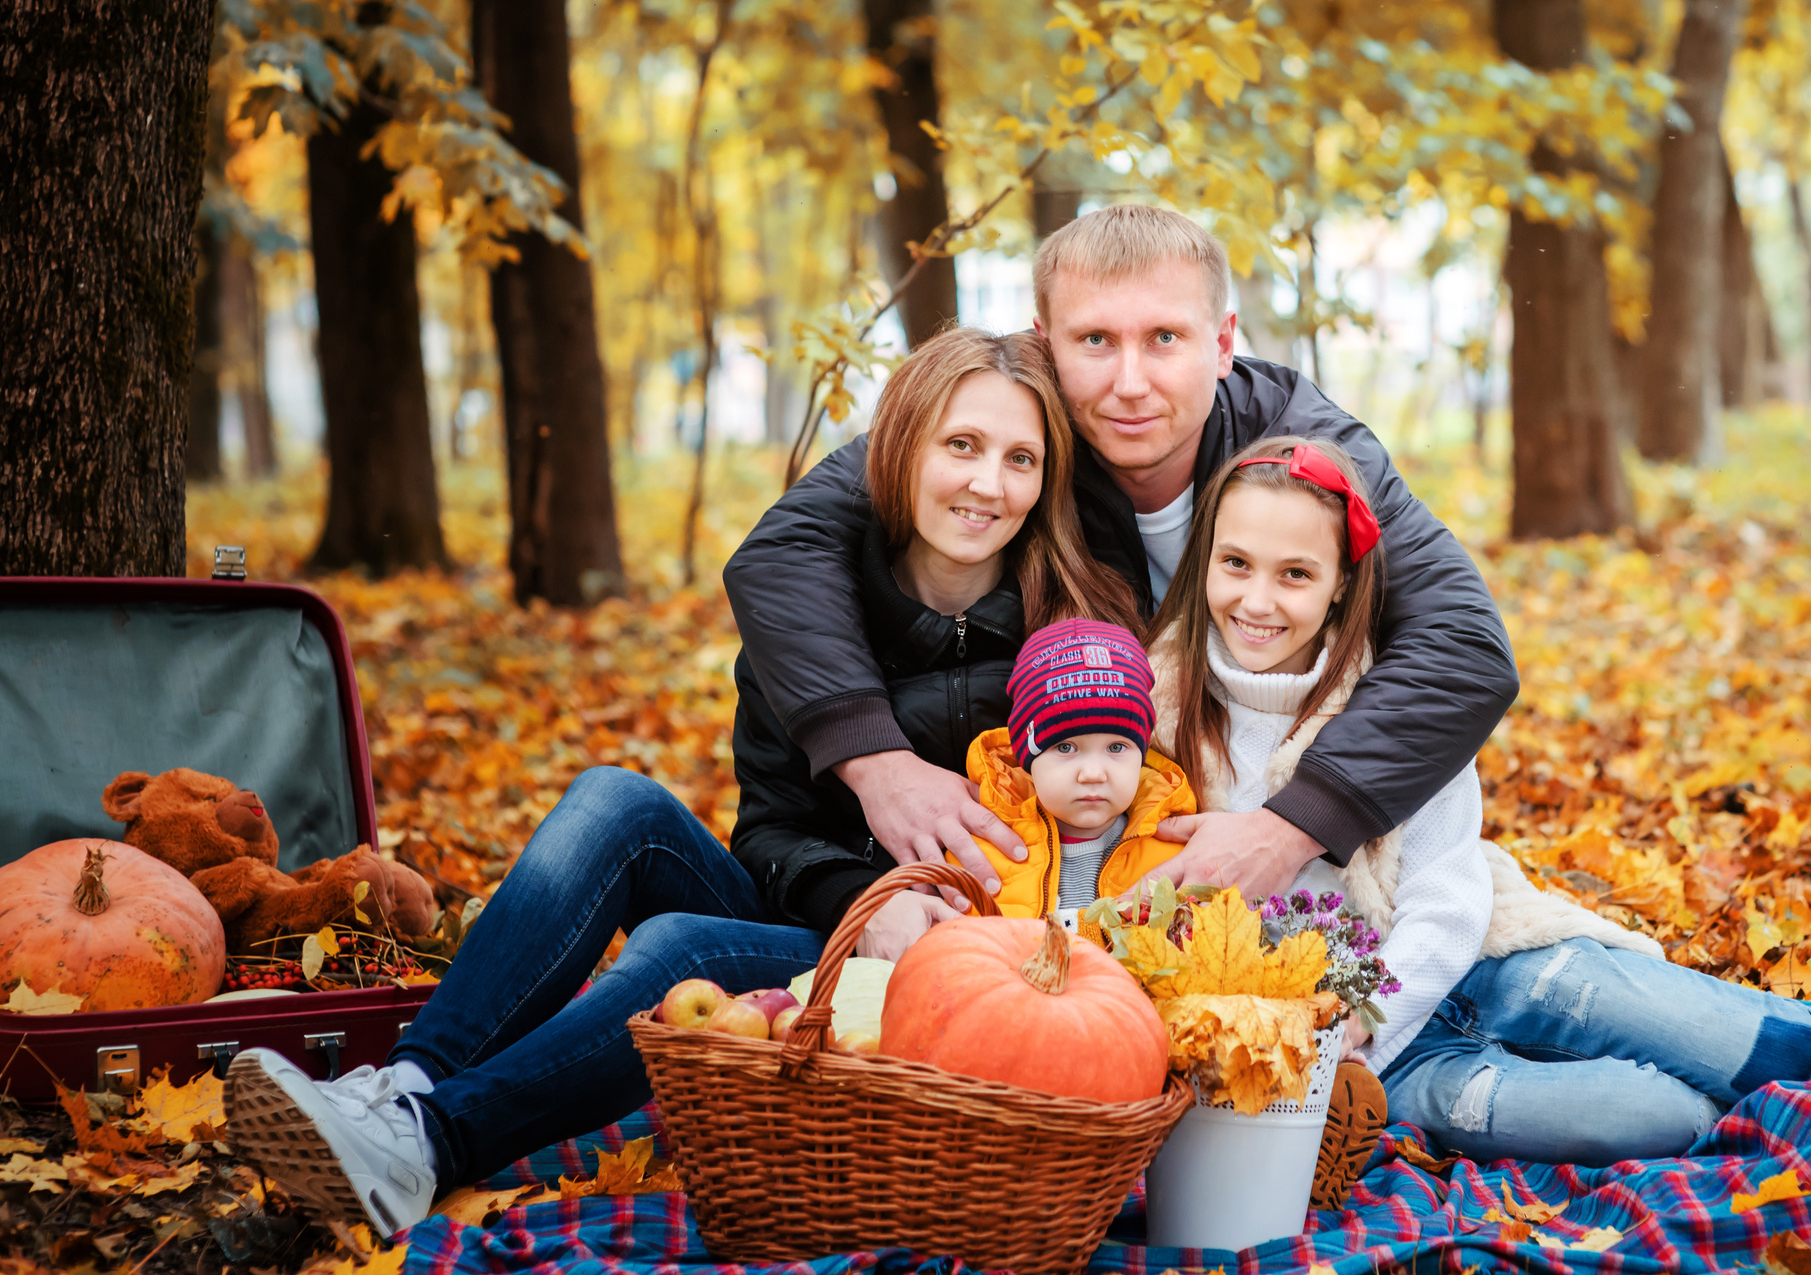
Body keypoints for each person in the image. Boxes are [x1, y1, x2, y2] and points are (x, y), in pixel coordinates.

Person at [220, 328, 1138, 1237]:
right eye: (962, 444)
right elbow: (769, 832)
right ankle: (403, 1085)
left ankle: (433, 1140)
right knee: (613, 800)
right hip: (820, 909)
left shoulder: (1069, 642)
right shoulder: (809, 615)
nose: (989, 483)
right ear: (897, 451)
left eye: (1021, 458)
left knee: (681, 944)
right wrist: (862, 900)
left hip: (964, 969)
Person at [1148, 436, 1811, 1188]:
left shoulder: (1394, 699)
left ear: (1340, 585)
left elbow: (1448, 901)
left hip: (1477, 965)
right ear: (1204, 560)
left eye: (1295, 574)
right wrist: (1337, 1046)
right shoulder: (1160, 711)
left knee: (1772, 1049)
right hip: (1377, 1062)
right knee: (1658, 1116)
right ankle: (1705, 1089)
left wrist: (1367, 1017)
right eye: (1236, 564)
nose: (1258, 599)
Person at [725, 204, 1517, 915]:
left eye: (1164, 338)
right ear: (1046, 344)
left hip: (1305, 846)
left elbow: (1466, 645)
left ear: (1222, 344)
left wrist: (1287, 829)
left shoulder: (1301, 451)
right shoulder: (1015, 435)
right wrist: (878, 763)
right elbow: (784, 550)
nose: (1130, 383)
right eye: (1096, 340)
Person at [959, 617, 1195, 917]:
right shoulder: (982, 851)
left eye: (1116, 747)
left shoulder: (1176, 857)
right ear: (1026, 757)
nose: (1093, 774)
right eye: (1065, 747)